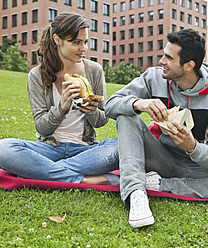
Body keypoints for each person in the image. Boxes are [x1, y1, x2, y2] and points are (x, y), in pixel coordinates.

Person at [105, 29, 208, 228]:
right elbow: (110, 105)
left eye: (169, 57)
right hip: (159, 157)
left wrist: (193, 146)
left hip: (193, 168)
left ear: (189, 66)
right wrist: (139, 104)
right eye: (163, 54)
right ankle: (136, 194)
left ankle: (159, 185)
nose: (161, 61)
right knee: (126, 114)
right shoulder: (153, 77)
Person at [0, 12, 119, 185]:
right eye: (76, 42)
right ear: (57, 39)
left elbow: (101, 121)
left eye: (85, 42)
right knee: (4, 148)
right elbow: (42, 128)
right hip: (49, 148)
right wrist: (62, 107)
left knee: (120, 146)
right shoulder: (37, 75)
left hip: (85, 150)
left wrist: (91, 110)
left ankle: (41, 170)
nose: (83, 48)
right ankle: (82, 180)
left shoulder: (94, 70)